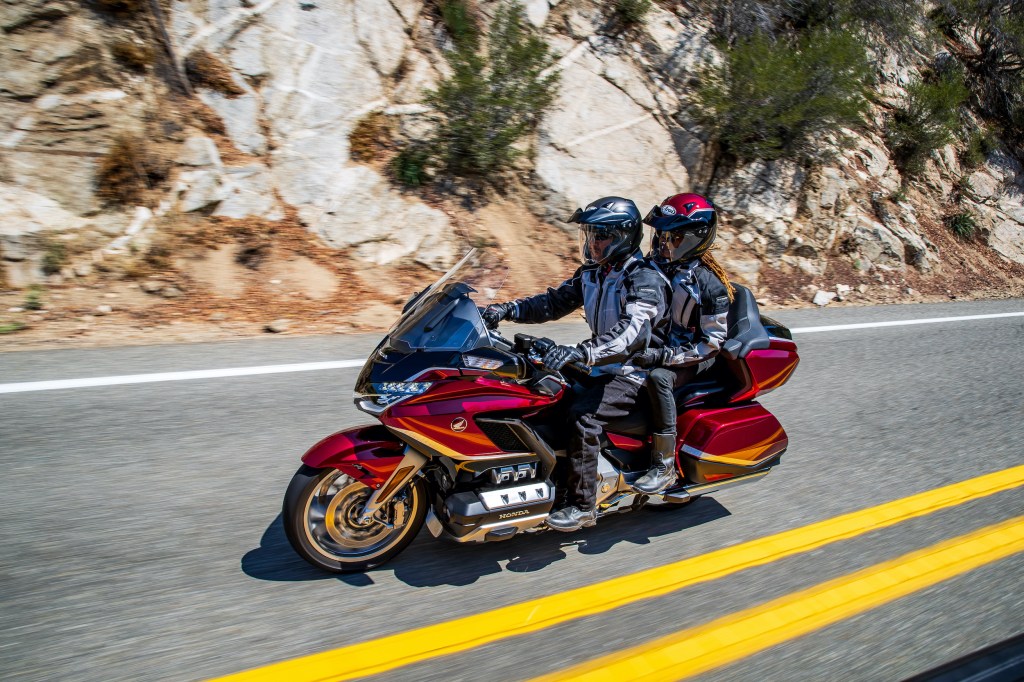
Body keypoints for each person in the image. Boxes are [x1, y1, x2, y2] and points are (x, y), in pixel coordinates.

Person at [483, 196, 670, 532]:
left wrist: (580, 352)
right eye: (590, 234)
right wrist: (506, 310)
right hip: (599, 363)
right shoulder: (594, 274)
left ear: (623, 236)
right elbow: (554, 302)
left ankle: (584, 506)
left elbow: (630, 334)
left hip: (632, 370)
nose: (591, 242)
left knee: (583, 418)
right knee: (537, 389)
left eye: (599, 235)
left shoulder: (644, 279)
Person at [631, 193, 736, 494]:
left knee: (659, 378)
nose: (663, 244)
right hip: (663, 344)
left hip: (695, 355)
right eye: (661, 235)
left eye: (673, 237)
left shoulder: (708, 284)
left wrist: (665, 356)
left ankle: (663, 465)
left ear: (696, 238)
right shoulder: (656, 267)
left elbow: (712, 342)